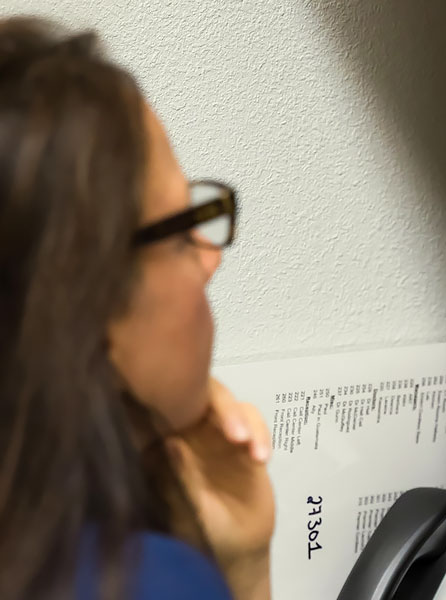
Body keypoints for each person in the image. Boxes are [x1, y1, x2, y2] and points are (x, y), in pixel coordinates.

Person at [0, 17, 275, 600]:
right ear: (78, 302)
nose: (210, 259)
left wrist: (239, 552)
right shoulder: (139, 580)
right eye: (181, 233)